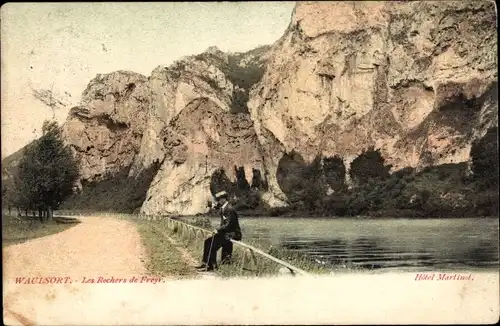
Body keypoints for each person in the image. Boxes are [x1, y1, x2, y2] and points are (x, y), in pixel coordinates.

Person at [196, 190, 242, 272]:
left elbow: (229, 225)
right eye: (218, 199)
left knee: (212, 244)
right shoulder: (224, 207)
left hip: (231, 234)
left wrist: (218, 229)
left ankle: (212, 266)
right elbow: (216, 207)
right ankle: (205, 263)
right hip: (226, 233)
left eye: (220, 199)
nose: (218, 201)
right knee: (207, 242)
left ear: (224, 199)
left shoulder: (230, 209)